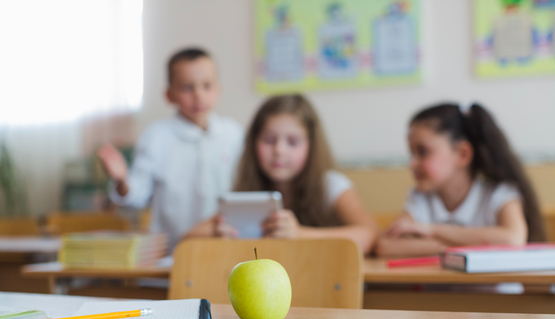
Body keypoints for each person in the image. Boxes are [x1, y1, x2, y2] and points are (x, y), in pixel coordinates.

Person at [186, 94, 378, 254]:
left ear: (312, 146)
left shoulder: (331, 185)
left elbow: (369, 235)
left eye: (293, 142)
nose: (279, 150)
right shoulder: (247, 192)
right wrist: (215, 232)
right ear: (253, 143)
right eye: (269, 140)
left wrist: (300, 234)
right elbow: (187, 241)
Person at [97, 48, 244, 250]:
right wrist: (122, 179)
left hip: (226, 250)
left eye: (207, 86)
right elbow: (136, 197)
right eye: (186, 88)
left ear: (218, 89)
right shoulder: (156, 137)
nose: (198, 95)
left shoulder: (234, 134)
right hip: (171, 255)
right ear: (169, 94)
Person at [375, 103, 545, 257]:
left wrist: (430, 231)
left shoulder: (500, 194)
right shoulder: (420, 199)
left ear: (463, 154)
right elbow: (386, 246)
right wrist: (468, 245)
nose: (412, 164)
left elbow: (512, 240)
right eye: (411, 153)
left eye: (422, 152)